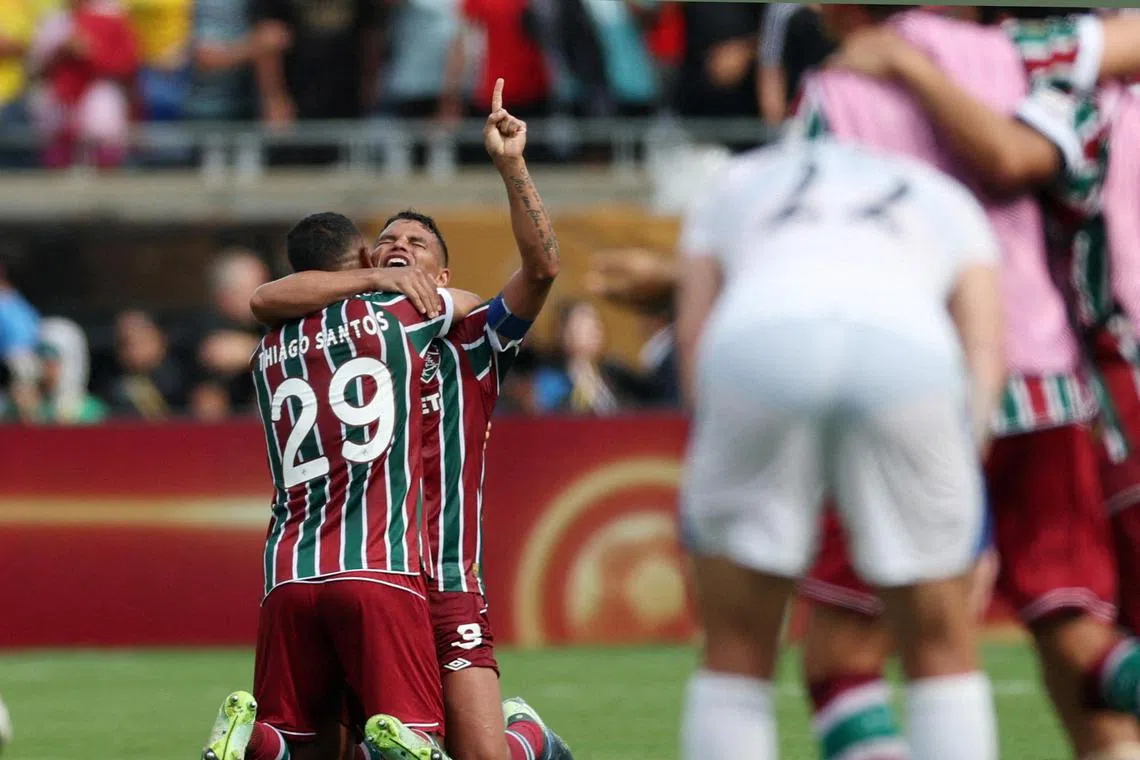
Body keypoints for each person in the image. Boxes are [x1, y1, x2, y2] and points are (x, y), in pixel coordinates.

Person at [790, 7, 1140, 758]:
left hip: (911, 379)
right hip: (1052, 384)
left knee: (846, 653)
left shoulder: (838, 84)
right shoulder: (1030, 62)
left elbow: (806, 238)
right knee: (1079, 641)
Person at [249, 77, 573, 760]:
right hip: (367, 566)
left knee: (476, 755)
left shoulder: (473, 335)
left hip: (444, 576)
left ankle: (528, 737)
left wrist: (512, 165)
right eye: (387, 240)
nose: (399, 246)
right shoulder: (367, 324)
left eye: (416, 243)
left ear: (444, 269)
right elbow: (269, 298)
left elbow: (542, 268)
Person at [676, 138, 1004, 760]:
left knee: (737, 651)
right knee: (940, 648)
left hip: (757, 339)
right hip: (908, 350)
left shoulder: (736, 181)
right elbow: (984, 356)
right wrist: (965, 503)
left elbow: (695, 336)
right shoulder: (946, 194)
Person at [201, 211, 475, 760]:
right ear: (361, 258)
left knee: (301, 740)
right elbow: (474, 304)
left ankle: (258, 741)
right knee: (414, 731)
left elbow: (262, 299)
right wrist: (397, 279)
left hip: (287, 573)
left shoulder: (268, 349)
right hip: (378, 565)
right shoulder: (396, 313)